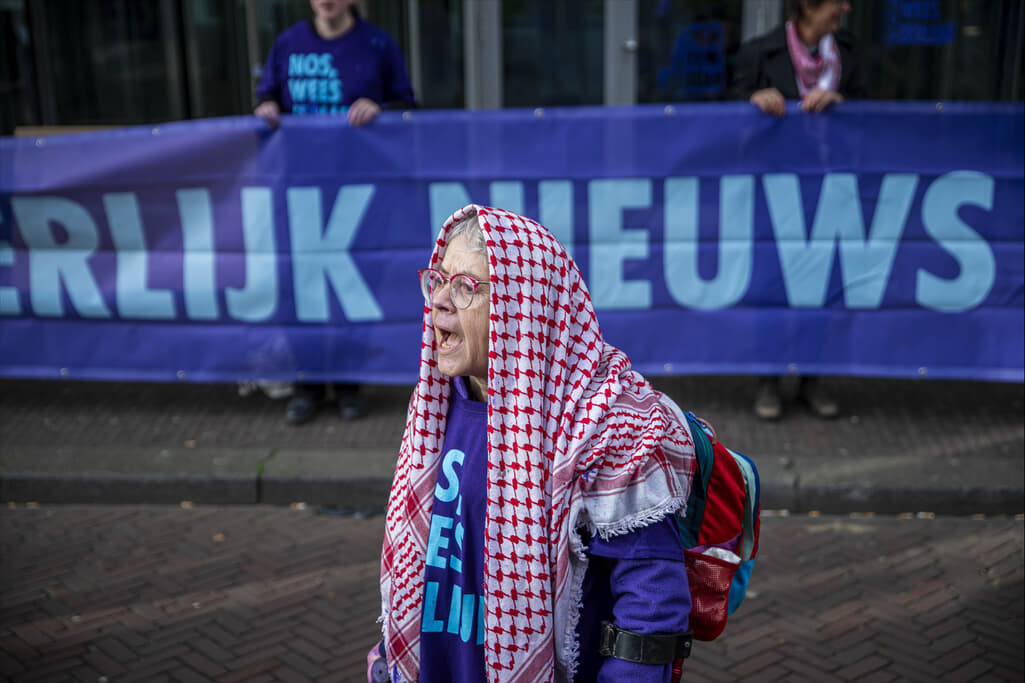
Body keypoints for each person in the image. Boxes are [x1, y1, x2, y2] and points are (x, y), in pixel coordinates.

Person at [376, 205, 700, 682]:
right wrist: (385, 662)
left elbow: (652, 608)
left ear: (522, 307)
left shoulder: (607, 427)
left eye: (465, 287)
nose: (439, 300)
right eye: (439, 280)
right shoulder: (435, 407)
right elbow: (414, 560)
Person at [253, 0, 417, 425]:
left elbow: (407, 107)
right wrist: (266, 108)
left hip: (359, 186)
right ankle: (308, 383)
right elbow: (267, 97)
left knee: (355, 284)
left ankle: (348, 383)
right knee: (299, 284)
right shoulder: (288, 43)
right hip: (300, 187)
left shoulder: (377, 44)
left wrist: (382, 110)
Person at [731, 0, 863, 420]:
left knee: (822, 286)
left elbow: (872, 117)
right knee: (772, 283)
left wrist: (842, 103)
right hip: (775, 189)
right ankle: (768, 380)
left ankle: (811, 379)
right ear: (807, 4)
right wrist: (753, 100)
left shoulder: (850, 52)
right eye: (836, 0)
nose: (846, 7)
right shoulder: (759, 52)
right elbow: (729, 116)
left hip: (832, 187)